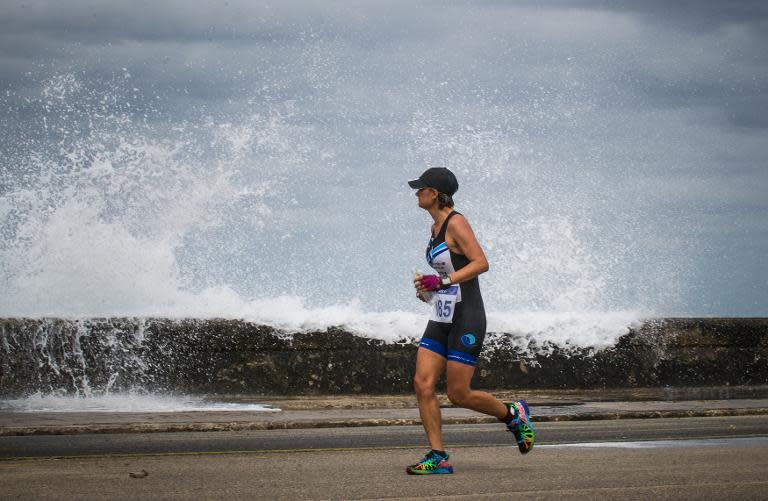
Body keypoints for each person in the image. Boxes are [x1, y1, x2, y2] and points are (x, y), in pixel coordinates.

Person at [405, 166, 534, 475]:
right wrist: (429, 287)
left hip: (468, 316)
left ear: (434, 193)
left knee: (458, 394)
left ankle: (513, 415)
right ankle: (438, 457)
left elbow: (481, 263)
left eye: (421, 188)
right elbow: (447, 279)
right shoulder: (434, 228)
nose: (416, 193)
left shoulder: (456, 222)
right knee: (422, 383)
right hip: (443, 314)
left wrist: (444, 280)